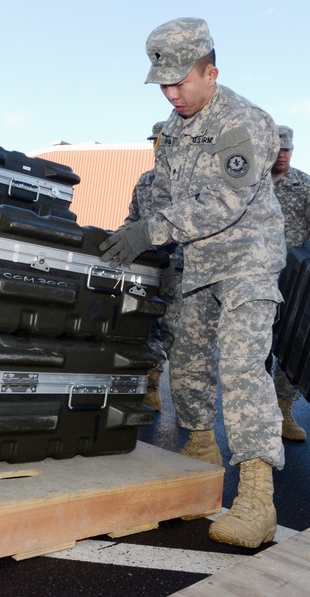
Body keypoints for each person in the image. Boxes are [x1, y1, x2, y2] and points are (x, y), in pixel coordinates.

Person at [100, 17, 286, 549]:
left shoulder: (242, 122)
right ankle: (202, 444)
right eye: (163, 83)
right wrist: (132, 235)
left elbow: (227, 202)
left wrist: (151, 231)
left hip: (248, 256)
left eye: (182, 81)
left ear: (212, 72)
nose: (172, 93)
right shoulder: (174, 130)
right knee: (186, 357)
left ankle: (257, 493)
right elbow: (164, 194)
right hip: (197, 261)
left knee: (243, 365)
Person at [268, 125, 310, 442]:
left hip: (294, 281)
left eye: (287, 149)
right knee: (254, 348)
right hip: (255, 279)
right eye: (277, 148)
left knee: (292, 347)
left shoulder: (306, 186)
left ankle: (283, 410)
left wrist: (307, 270)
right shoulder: (250, 183)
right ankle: (256, 412)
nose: (282, 154)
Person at [122, 121, 178, 411]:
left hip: (177, 267)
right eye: (155, 142)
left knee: (171, 329)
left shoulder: (190, 181)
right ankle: (150, 384)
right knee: (144, 324)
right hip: (145, 267)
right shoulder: (144, 180)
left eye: (165, 141)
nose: (159, 147)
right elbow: (132, 219)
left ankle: (177, 395)